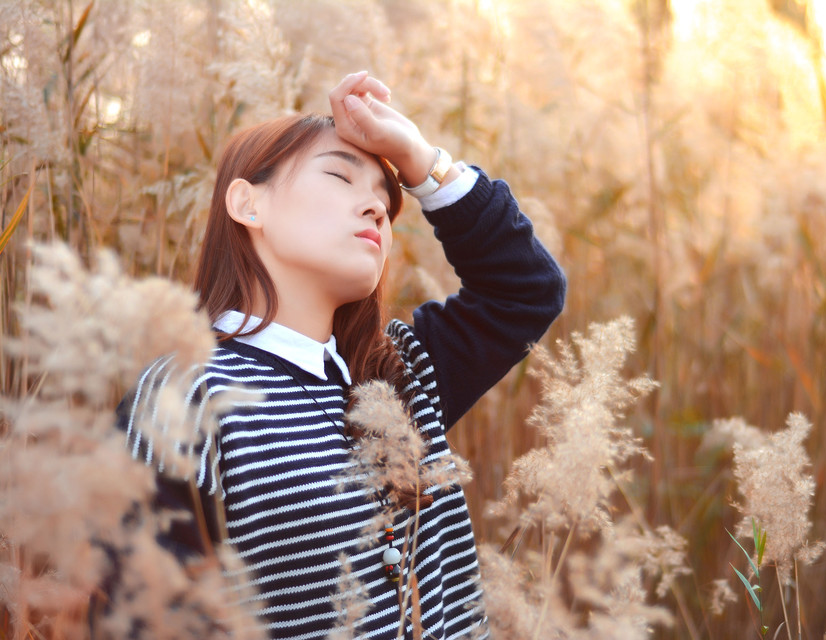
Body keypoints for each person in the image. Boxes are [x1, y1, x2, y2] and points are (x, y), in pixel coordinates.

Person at [120, 71, 566, 639]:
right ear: (248, 204)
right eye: (338, 176)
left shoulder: (398, 376)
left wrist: (419, 159)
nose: (377, 209)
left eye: (385, 199)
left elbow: (526, 291)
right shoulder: (188, 392)